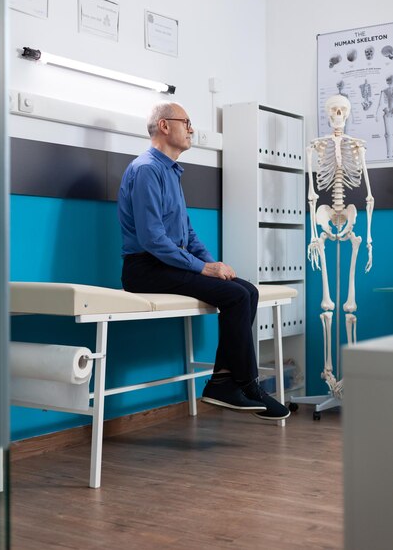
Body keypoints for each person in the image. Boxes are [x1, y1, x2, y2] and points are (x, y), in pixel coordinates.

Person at [118, 102, 290, 420]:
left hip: (165, 264)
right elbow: (152, 239)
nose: (193, 129)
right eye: (187, 122)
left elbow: (187, 233)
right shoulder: (146, 169)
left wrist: (214, 265)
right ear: (164, 126)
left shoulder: (171, 171)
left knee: (246, 290)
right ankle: (246, 384)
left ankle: (225, 380)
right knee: (237, 296)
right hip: (144, 269)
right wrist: (201, 268)